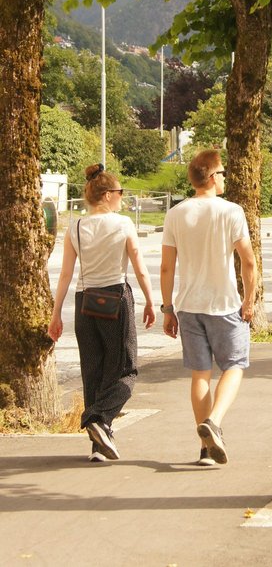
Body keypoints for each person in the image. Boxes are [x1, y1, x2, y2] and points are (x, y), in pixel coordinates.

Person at [48, 163, 156, 462]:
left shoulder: (76, 227)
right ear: (107, 195)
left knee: (93, 372)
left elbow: (66, 274)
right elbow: (139, 268)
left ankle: (99, 444)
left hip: (85, 302)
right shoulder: (122, 224)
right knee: (125, 369)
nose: (122, 197)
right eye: (120, 192)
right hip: (115, 298)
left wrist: (56, 314)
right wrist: (151, 301)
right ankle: (99, 417)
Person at [160, 149, 256, 467]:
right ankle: (214, 422)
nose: (225, 177)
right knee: (234, 366)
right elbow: (248, 262)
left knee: (200, 375)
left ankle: (205, 450)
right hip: (224, 304)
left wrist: (168, 308)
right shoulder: (231, 212)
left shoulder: (176, 213)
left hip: (188, 305)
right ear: (213, 177)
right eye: (223, 172)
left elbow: (166, 268)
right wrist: (249, 301)